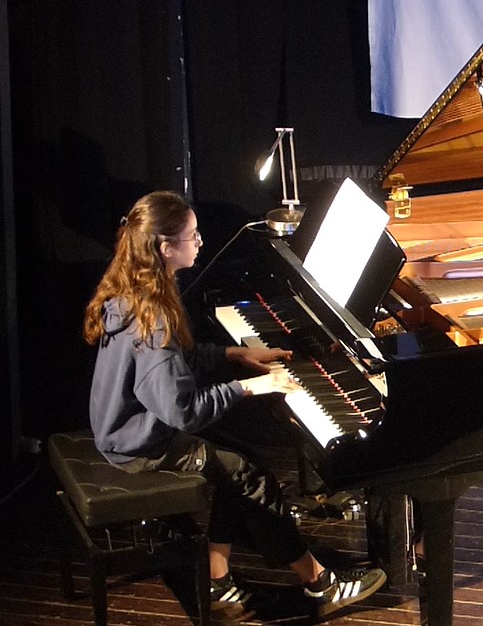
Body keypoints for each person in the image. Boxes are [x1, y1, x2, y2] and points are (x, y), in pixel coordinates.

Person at [82, 190, 386, 618]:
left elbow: (176, 364)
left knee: (240, 460)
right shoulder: (153, 316)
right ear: (165, 248)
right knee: (248, 473)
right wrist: (248, 387)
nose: (201, 241)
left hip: (129, 427)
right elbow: (182, 410)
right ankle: (319, 584)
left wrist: (234, 354)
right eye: (192, 236)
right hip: (137, 446)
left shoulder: (138, 285)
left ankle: (218, 576)